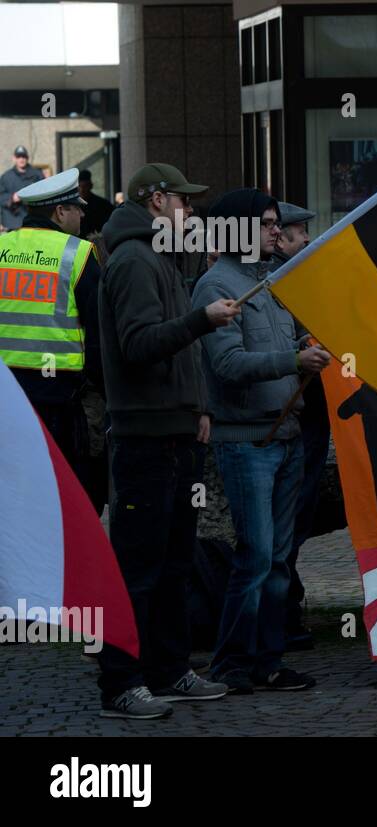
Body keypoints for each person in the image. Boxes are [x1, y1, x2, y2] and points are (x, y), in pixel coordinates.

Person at [97, 162, 236, 719]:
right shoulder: (133, 260)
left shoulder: (156, 256)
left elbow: (177, 352)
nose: (192, 212)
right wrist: (202, 318)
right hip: (145, 439)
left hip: (174, 433)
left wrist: (197, 408)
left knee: (176, 563)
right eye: (183, 202)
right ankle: (120, 684)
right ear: (156, 202)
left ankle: (169, 669)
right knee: (138, 570)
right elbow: (140, 345)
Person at [192, 189, 328, 694]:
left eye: (276, 223)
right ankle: (231, 664)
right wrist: (293, 362)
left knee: (277, 559)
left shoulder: (269, 282)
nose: (278, 230)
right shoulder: (215, 285)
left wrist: (303, 347)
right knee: (255, 556)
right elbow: (227, 366)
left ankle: (268, 662)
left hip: (286, 435)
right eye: (268, 223)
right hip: (247, 442)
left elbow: (281, 346)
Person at [0, 168, 107, 512]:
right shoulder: (78, 254)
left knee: (15, 495)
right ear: (60, 212)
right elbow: (98, 335)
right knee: (61, 496)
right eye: (77, 207)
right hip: (60, 398)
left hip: (8, 395)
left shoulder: (2, 248)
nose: (83, 213)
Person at [272, 202, 325, 651]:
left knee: (291, 522)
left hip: (302, 422)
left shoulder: (291, 278)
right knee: (286, 522)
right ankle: (281, 616)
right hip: (296, 422)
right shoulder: (283, 284)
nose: (306, 240)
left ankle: (285, 610)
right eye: (296, 233)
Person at [0, 147, 45, 232]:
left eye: (23, 157)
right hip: (13, 222)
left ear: (27, 158)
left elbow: (45, 192)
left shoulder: (37, 174)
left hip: (33, 221)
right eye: (19, 157)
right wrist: (12, 198)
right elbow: (1, 196)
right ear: (14, 158)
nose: (21, 159)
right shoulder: (6, 177)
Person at [77, 168, 116, 238]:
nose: (82, 190)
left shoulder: (103, 205)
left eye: (85, 186)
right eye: (80, 186)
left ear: (90, 186)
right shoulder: (73, 206)